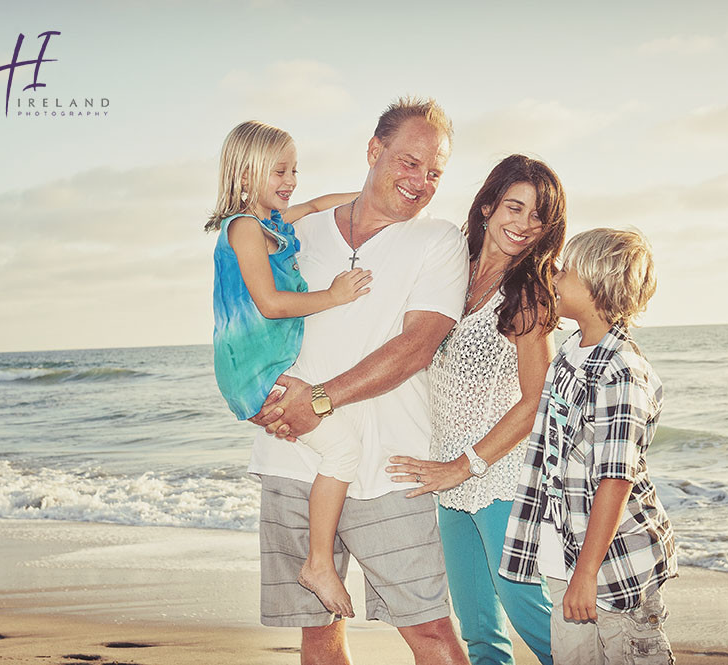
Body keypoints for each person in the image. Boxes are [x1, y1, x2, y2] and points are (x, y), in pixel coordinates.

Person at [247, 97, 471, 665]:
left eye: (435, 171)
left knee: (431, 633)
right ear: (374, 151)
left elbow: (416, 347)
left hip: (391, 465)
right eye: (409, 161)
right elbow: (243, 308)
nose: (421, 181)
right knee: (318, 633)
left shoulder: (440, 241)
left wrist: (318, 400)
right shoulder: (295, 230)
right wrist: (252, 395)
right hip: (292, 455)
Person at [386, 154, 565, 665]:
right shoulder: (449, 274)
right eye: (514, 207)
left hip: (499, 476)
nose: (524, 225)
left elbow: (536, 401)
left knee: (526, 609)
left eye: (537, 217)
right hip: (447, 481)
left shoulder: (527, 293)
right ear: (487, 206)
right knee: (479, 629)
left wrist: (463, 466)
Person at [206, 120, 371, 618]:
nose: (291, 180)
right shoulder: (244, 229)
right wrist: (335, 295)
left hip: (262, 366)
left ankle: (320, 557)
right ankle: (318, 564)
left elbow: (321, 205)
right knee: (343, 452)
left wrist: (375, 197)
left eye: (294, 169)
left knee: (322, 440)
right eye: (279, 170)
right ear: (245, 172)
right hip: (254, 370)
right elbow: (272, 303)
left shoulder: (274, 223)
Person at [499, 228, 677, 664]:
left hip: (612, 568)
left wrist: (587, 572)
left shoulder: (621, 371)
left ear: (598, 284)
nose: (554, 278)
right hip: (568, 559)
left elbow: (615, 481)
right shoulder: (569, 352)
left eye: (567, 271)